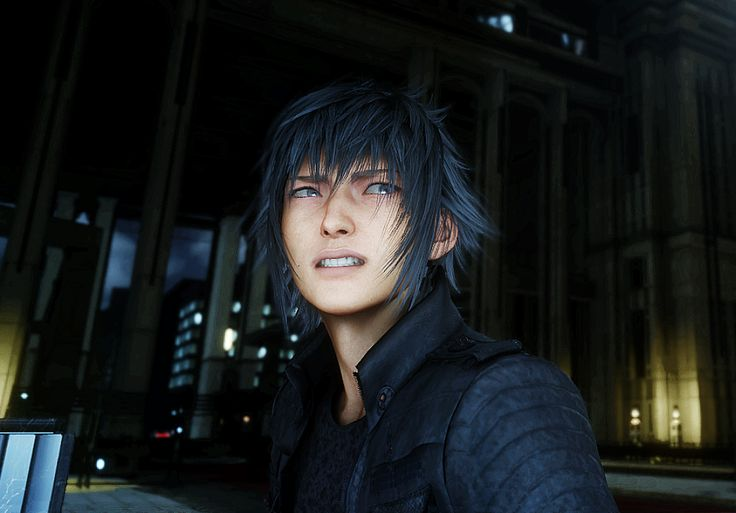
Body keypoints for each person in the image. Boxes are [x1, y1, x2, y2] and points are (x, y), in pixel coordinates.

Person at [252, 80, 618, 513]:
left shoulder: (503, 399)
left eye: (378, 187)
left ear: (439, 233)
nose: (332, 219)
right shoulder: (297, 402)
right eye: (307, 191)